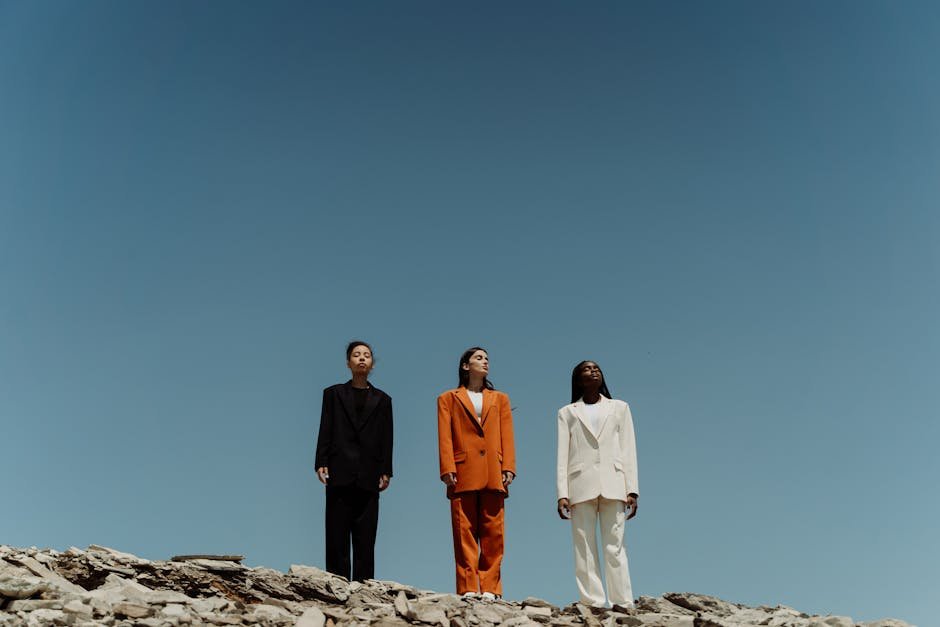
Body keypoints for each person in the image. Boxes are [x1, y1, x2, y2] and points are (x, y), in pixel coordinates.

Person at [556, 360, 639, 608]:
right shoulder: (567, 412)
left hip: (615, 482)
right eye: (587, 370)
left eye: (597, 369)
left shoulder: (620, 408)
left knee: (615, 545)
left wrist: (632, 488)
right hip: (579, 485)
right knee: (584, 546)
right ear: (578, 380)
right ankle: (592, 601)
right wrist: (562, 493)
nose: (593, 372)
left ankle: (622, 601)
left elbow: (628, 448)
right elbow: (562, 455)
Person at [437, 347, 516, 600]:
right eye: (479, 358)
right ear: (465, 366)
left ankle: (491, 587)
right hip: (462, 470)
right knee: (464, 532)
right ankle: (469, 586)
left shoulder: (500, 398)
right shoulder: (448, 398)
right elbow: (445, 436)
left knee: (494, 532)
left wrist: (509, 467)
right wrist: (447, 467)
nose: (485, 362)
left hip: (494, 470)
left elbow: (507, 435)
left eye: (487, 359)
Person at [315, 340, 393, 582]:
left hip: (369, 473)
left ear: (371, 363)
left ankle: (364, 585)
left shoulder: (383, 399)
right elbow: (325, 428)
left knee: (366, 534)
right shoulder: (333, 394)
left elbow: (387, 437)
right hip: (339, 469)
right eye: (356, 355)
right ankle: (336, 582)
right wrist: (320, 460)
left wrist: (386, 469)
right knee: (337, 532)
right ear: (348, 362)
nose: (362, 358)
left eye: (367, 355)